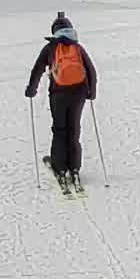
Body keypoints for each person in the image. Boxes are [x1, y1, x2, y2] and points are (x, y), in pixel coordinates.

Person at [26, 15, 99, 188]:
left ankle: (59, 167)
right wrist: (92, 92)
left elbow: (37, 69)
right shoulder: (77, 47)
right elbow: (91, 70)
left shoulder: (50, 48)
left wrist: (32, 89)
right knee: (74, 128)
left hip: (58, 94)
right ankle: (74, 167)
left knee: (60, 129)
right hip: (79, 92)